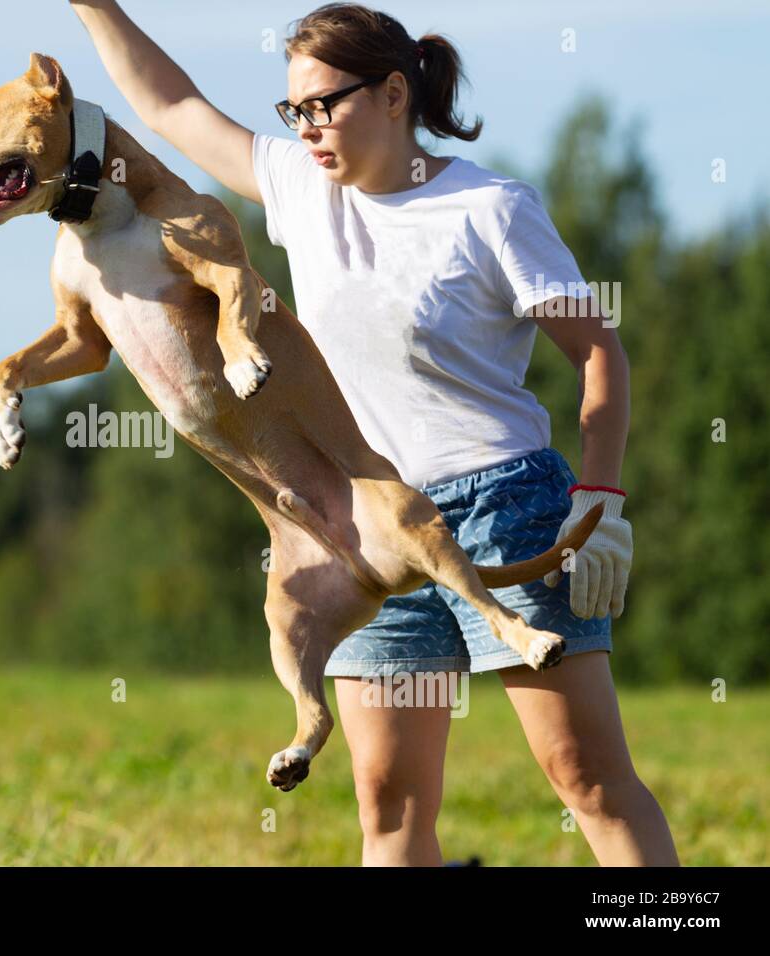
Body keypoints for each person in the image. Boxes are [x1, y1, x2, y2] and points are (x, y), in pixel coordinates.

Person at [68, 0, 678, 865]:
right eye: (296, 111)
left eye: (327, 104)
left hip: (504, 504)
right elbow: (170, 106)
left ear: (395, 94)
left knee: (585, 775)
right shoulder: (297, 189)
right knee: (389, 804)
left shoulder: (491, 208)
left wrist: (603, 493)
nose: (309, 129)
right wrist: (94, 6)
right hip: (363, 523)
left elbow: (599, 351)